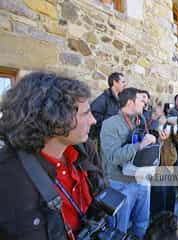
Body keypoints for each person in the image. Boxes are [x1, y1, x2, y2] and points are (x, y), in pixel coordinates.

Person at [0, 72, 106, 240]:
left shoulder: (84, 149)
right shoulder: (8, 176)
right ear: (55, 118)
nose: (93, 120)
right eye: (86, 113)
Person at [100, 87, 157, 239]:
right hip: (121, 184)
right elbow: (113, 157)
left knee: (142, 224)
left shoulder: (141, 120)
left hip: (142, 179)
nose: (145, 103)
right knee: (120, 229)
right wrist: (140, 145)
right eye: (141, 100)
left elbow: (145, 147)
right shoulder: (110, 124)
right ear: (131, 102)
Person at [90, 72, 127, 140]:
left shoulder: (119, 99)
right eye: (123, 82)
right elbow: (94, 115)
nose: (125, 84)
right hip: (102, 138)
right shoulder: (104, 98)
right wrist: (112, 122)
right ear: (115, 82)